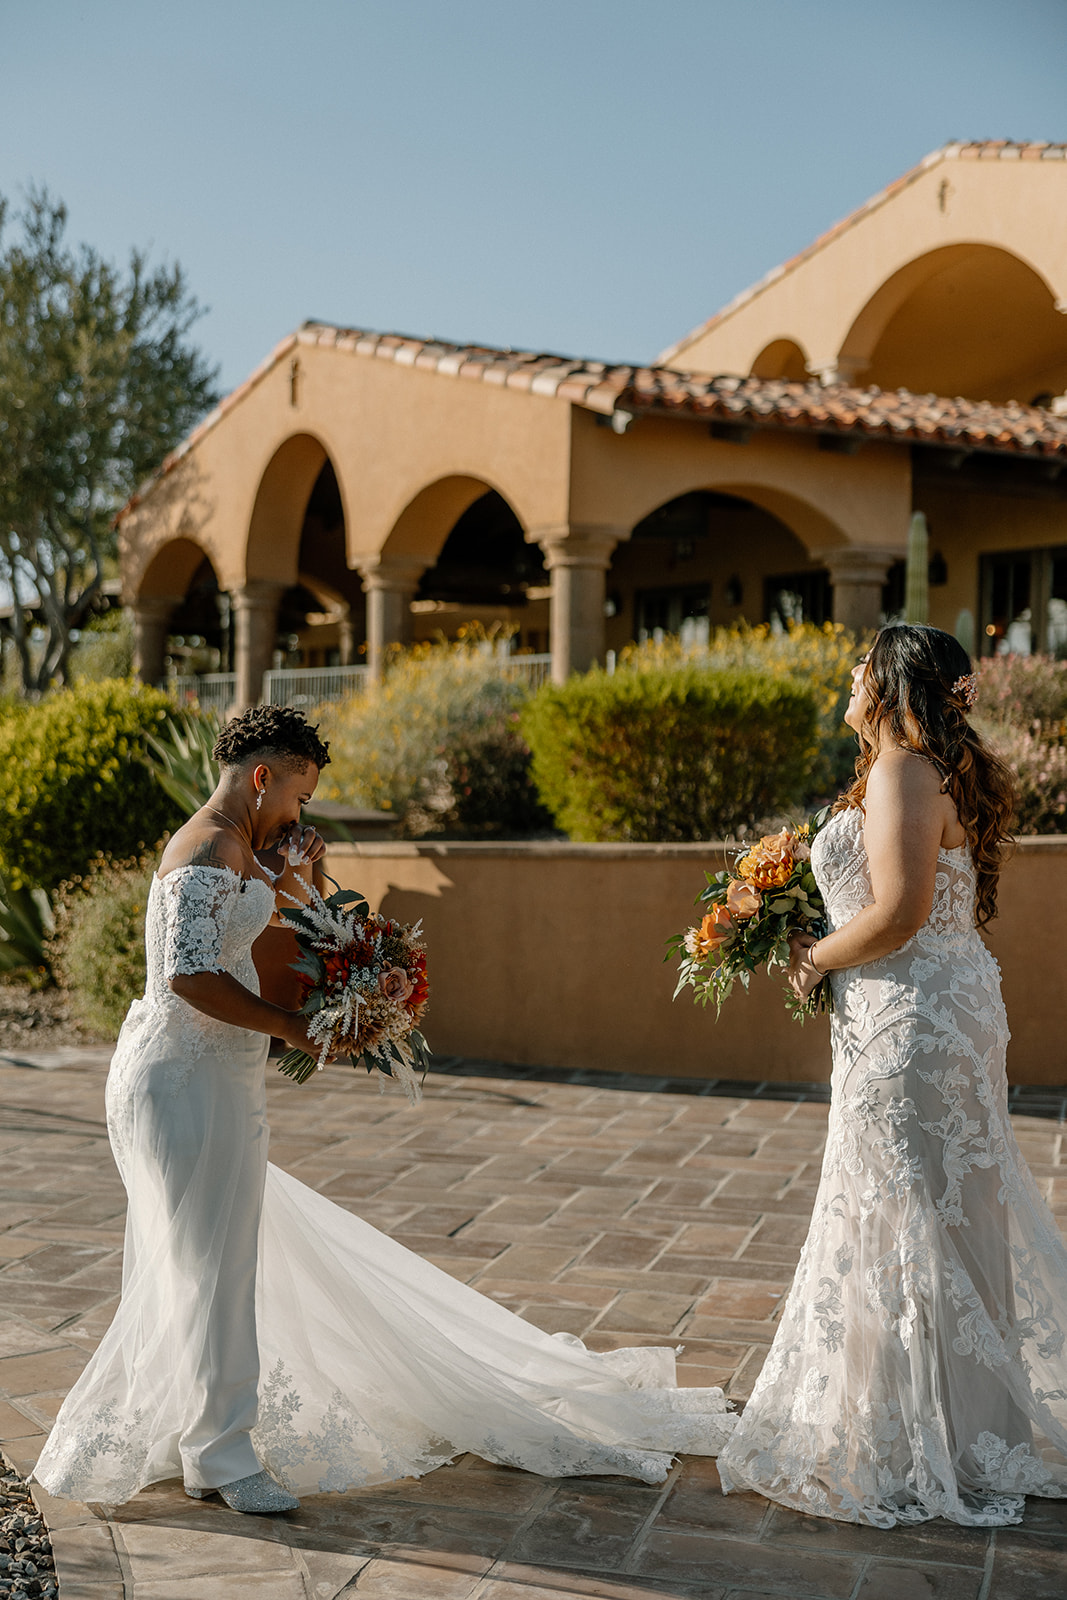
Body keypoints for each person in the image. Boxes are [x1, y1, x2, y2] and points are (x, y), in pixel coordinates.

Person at [35, 704, 735, 1514]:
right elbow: (190, 976)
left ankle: (203, 1442)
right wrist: (296, 1028)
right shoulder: (201, 849)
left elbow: (285, 930)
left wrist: (301, 873)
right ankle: (220, 1457)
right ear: (262, 777)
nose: (301, 813)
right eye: (298, 796)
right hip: (182, 1079)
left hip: (215, 1076)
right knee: (209, 1269)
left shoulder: (239, 846)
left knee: (213, 1264)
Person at [717, 624, 1067, 1527]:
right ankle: (950, 1428)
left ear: (891, 683)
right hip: (925, 1010)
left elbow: (901, 911)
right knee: (930, 1206)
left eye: (859, 665)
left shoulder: (904, 770)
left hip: (910, 1018)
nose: (847, 673)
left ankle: (922, 1440)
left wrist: (814, 958)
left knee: (909, 1209)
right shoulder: (921, 770)